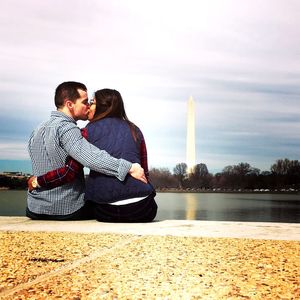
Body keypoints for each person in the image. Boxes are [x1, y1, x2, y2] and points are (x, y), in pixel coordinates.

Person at [29, 88, 157, 222]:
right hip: (143, 209)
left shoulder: (86, 131)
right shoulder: (134, 129)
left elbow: (71, 170)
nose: (89, 106)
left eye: (92, 102)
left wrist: (38, 181)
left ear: (103, 107)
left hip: (106, 210)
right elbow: (144, 170)